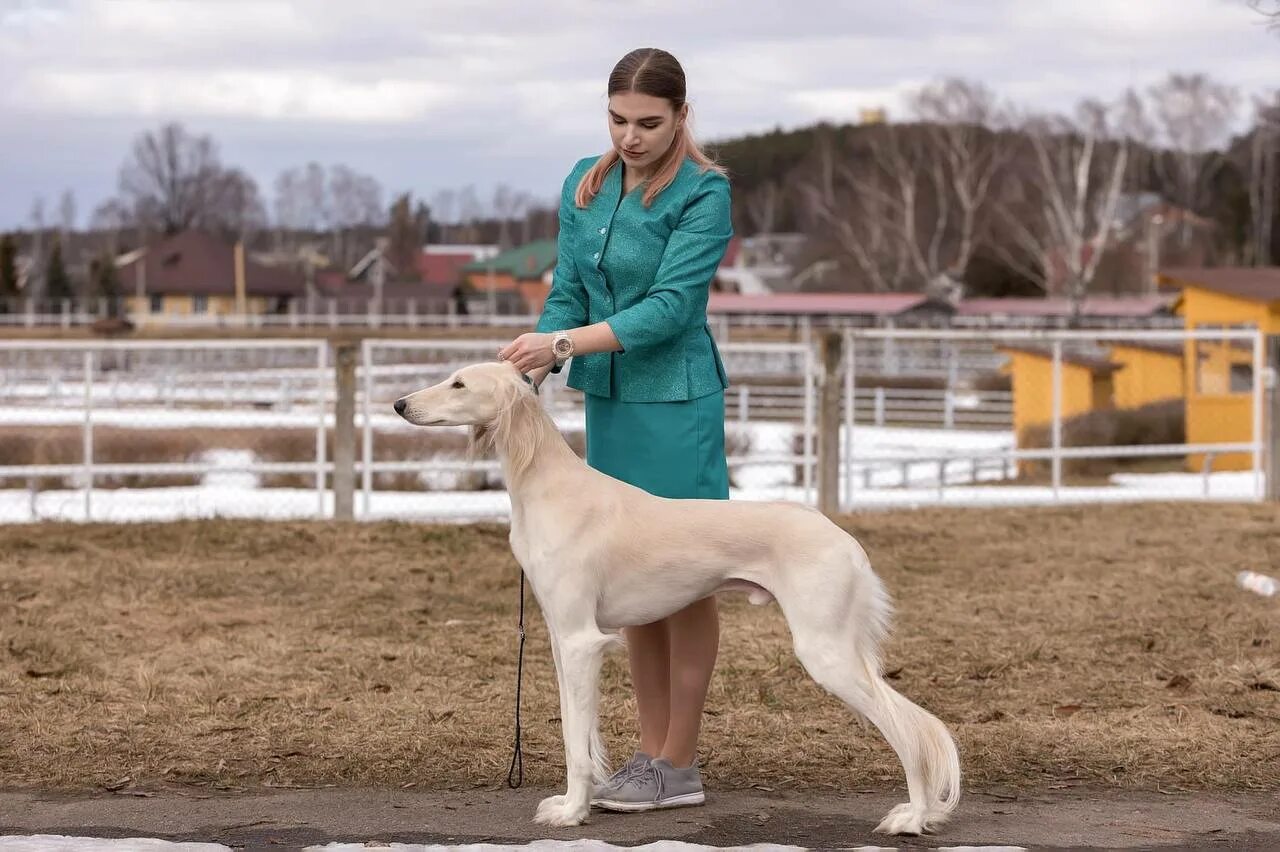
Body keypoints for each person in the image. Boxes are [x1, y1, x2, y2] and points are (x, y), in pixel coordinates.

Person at [497, 46, 733, 813]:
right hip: (611, 402)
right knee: (630, 581)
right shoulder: (585, 184)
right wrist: (529, 366)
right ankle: (647, 754)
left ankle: (680, 761)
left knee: (689, 577)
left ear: (682, 117)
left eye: (649, 123)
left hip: (677, 403)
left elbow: (671, 308)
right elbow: (567, 287)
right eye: (618, 119)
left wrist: (564, 345)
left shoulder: (704, 194)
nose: (631, 136)